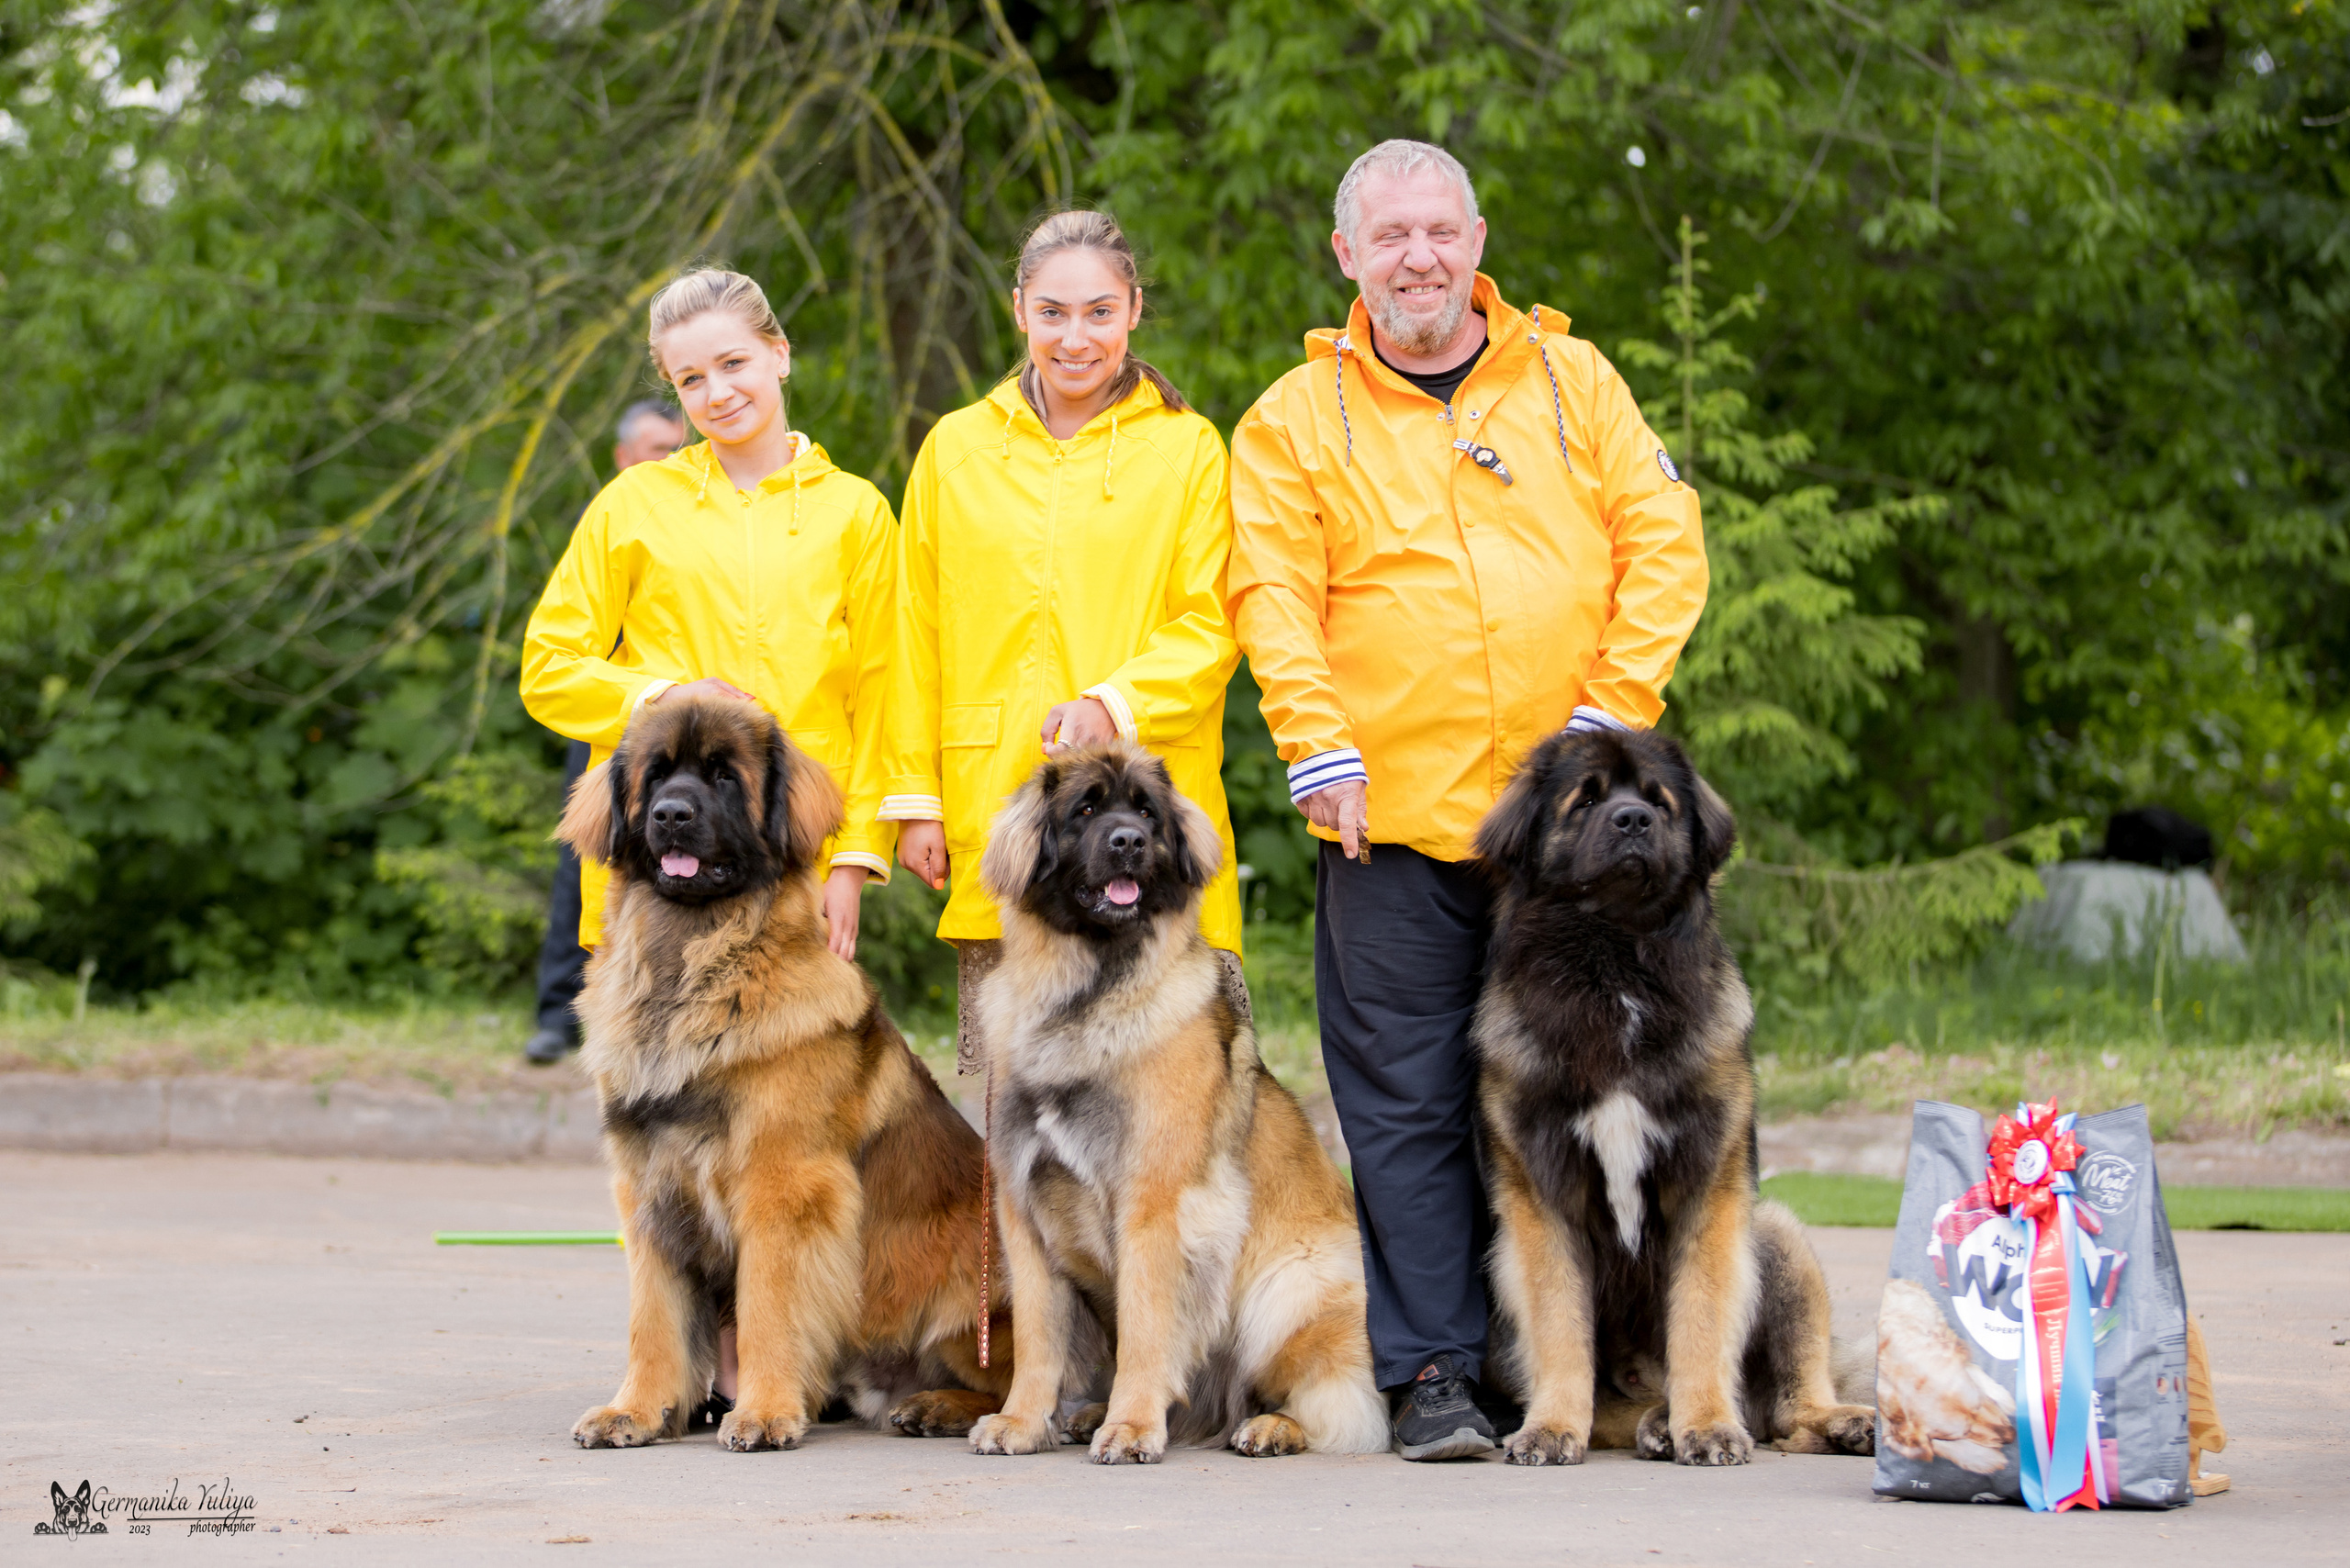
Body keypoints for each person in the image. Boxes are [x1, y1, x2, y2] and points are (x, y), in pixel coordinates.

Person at [1226, 140, 1707, 1461]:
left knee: (1580, 1096)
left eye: (1441, 231)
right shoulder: (1289, 421)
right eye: (1392, 237)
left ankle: (1596, 1374)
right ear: (1348, 258)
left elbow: (1667, 540)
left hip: (1568, 844)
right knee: (1408, 1106)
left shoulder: (1572, 378)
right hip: (1389, 826)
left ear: (1479, 238)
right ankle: (1437, 1374)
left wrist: (1615, 711)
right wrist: (1317, 748)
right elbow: (1274, 597)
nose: (1420, 258)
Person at [520, 268, 901, 1417]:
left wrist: (856, 854)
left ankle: (775, 1364)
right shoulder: (630, 508)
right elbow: (550, 665)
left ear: (779, 353)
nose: (717, 391)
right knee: (654, 1153)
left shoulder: (856, 512)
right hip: (652, 889)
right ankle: (667, 1373)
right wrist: (660, 687)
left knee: (782, 1148)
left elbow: (890, 698)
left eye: (734, 363)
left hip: (786, 881)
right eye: (691, 379)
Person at [884, 210, 1243, 1070]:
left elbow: (1216, 619)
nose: (1075, 337)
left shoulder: (1188, 451)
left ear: (1133, 310)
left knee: (1175, 1112)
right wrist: (913, 798)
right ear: (1018, 311)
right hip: (1007, 820)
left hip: (1148, 827)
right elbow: (911, 633)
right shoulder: (955, 451)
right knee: (1025, 1124)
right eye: (1052, 312)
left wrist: (1113, 703)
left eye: (1098, 312)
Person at [523, 399, 686, 1066]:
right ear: (623, 457)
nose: (667, 460)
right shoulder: (616, 516)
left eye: (677, 448)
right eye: (654, 448)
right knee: (584, 866)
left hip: (692, 740)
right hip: (612, 727)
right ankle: (558, 1013)